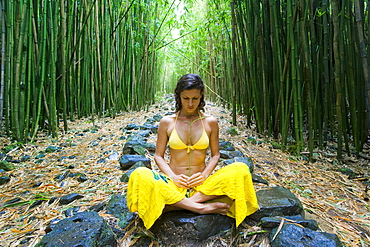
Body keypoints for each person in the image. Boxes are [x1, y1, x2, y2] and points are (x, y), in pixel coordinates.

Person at [127, 73, 258, 229]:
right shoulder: (167, 122)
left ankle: (174, 204)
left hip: (203, 185)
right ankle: (199, 206)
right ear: (178, 97)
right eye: (186, 98)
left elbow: (215, 155)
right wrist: (173, 177)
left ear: (201, 96)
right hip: (174, 183)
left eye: (195, 99)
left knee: (241, 169)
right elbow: (158, 156)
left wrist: (204, 175)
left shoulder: (210, 122)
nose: (190, 103)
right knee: (139, 174)